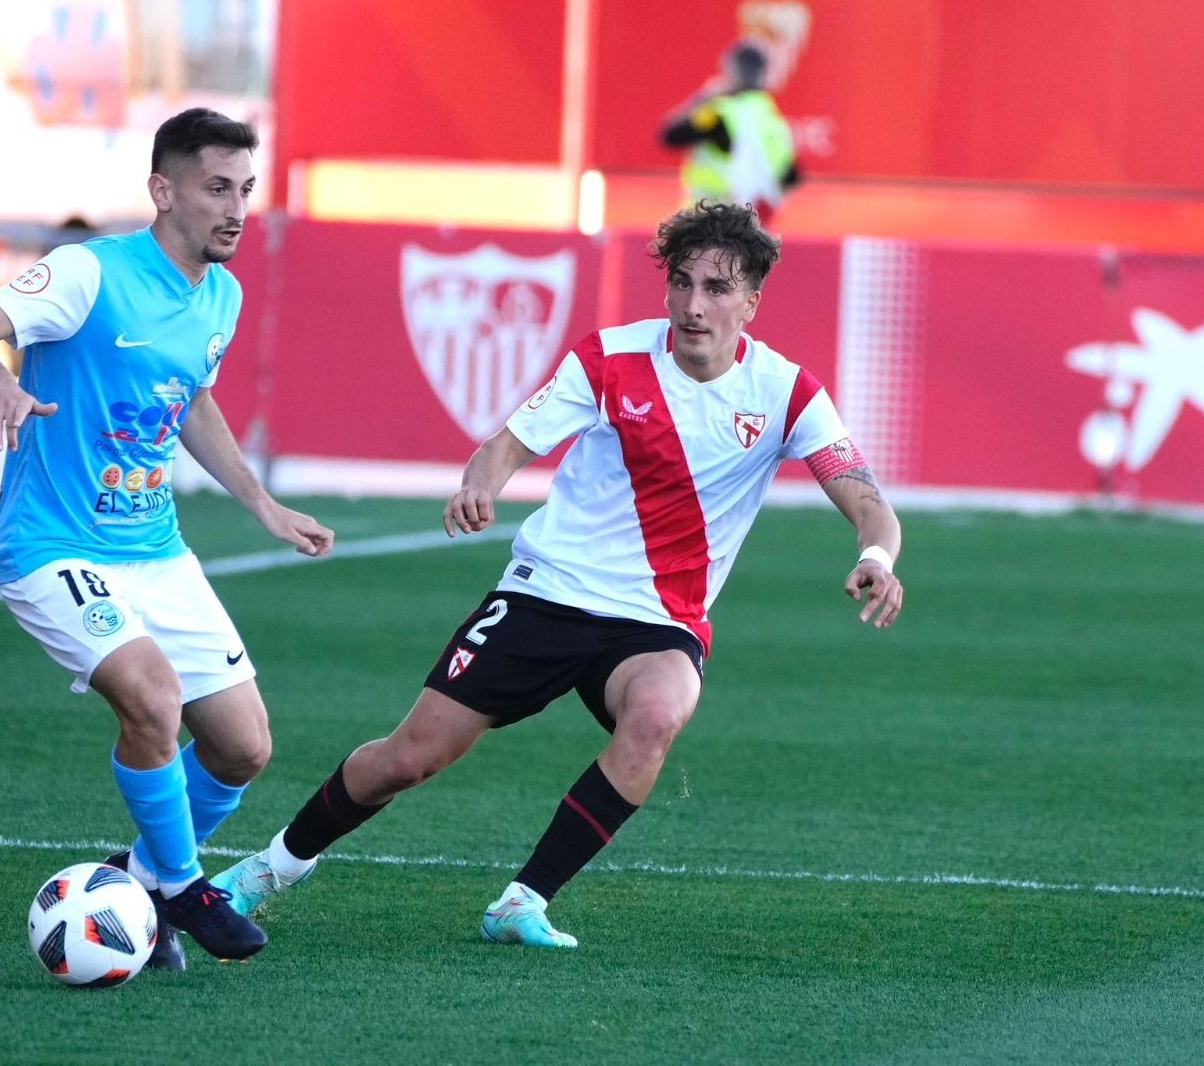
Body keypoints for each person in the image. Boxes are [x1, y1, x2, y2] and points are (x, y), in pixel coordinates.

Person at [214, 201, 902, 949]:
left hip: (656, 620)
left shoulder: (787, 393)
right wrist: (482, 484)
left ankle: (522, 902)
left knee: (660, 712)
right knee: (410, 758)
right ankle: (272, 867)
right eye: (682, 283)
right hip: (547, 592)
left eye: (716, 288)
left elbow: (866, 499)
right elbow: (506, 443)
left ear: (751, 302)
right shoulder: (609, 358)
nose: (694, 305)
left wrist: (875, 558)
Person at [0, 107, 334, 969]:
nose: (235, 208)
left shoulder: (220, 294)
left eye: (246, 189)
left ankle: (140, 882)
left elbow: (187, 398)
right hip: (56, 548)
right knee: (151, 700)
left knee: (243, 746)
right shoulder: (90, 272)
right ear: (163, 191)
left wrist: (262, 503)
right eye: (215, 188)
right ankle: (187, 889)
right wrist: (0, 385)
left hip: (157, 550)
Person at [660, 42, 799, 225]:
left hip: (707, 218)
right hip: (748, 226)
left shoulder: (722, 113)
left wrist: (703, 97)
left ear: (731, 71)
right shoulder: (774, 121)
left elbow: (670, 135)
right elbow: (792, 175)